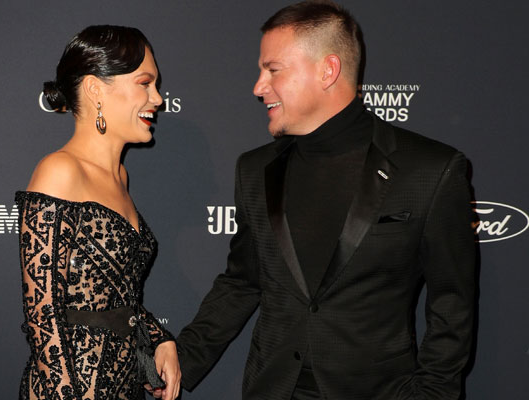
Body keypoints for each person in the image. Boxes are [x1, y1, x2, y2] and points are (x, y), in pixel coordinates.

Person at [176, 1, 476, 399]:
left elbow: (452, 303)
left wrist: (433, 393)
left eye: (273, 70)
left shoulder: (429, 170)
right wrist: (181, 362)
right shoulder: (255, 169)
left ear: (327, 70)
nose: (258, 87)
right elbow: (242, 282)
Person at [15, 25, 180, 400]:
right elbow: (43, 316)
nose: (157, 98)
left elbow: (109, 300)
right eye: (145, 83)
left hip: (123, 385)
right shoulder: (60, 171)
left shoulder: (120, 176)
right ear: (95, 89)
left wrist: (159, 338)